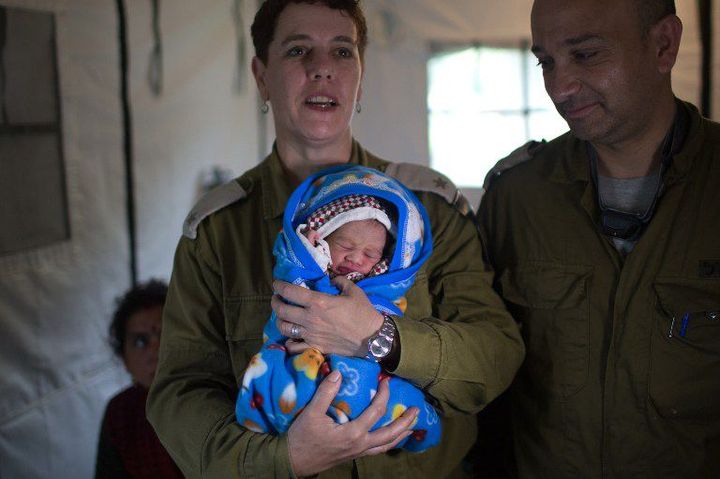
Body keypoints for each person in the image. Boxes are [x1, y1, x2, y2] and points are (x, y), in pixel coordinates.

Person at [147, 0, 524, 477]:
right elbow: (181, 390)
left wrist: (380, 337)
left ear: (360, 78)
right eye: (298, 50)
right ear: (262, 77)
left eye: (342, 52)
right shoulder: (218, 231)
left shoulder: (430, 210)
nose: (322, 68)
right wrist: (284, 460)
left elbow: (495, 353)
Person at [477, 0, 720, 476]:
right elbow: (489, 395)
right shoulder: (517, 198)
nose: (560, 87)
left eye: (585, 54)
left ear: (663, 45)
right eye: (546, 62)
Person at [235, 165, 441, 453]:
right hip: (299, 355)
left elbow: (393, 312)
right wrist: (308, 252)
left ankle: (400, 425)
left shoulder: (382, 284)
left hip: (367, 371)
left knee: (401, 401)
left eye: (371, 254)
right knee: (276, 378)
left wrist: (375, 332)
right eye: (345, 245)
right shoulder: (309, 267)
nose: (357, 258)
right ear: (324, 237)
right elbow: (293, 265)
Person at [95, 280, 183, 479]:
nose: (156, 350)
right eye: (140, 341)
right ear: (124, 359)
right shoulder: (120, 414)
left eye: (165, 335)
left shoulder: (218, 395)